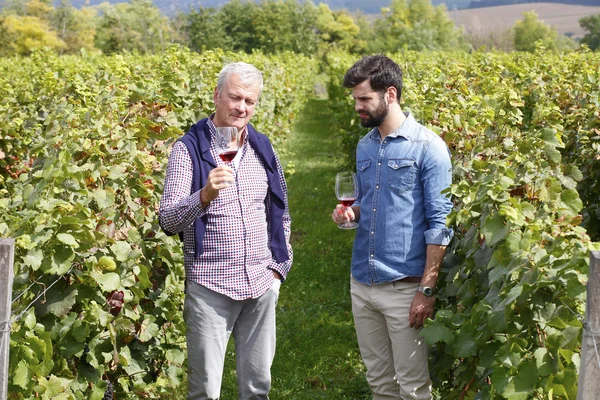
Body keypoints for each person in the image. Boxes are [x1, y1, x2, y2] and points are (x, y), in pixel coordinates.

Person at [159, 62, 293, 400]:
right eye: (235, 98)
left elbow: (280, 212)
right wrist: (204, 196)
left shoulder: (263, 148)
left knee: (257, 386)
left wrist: (279, 268)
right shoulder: (187, 150)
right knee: (205, 391)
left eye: (250, 101)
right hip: (211, 287)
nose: (241, 108)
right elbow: (168, 221)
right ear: (217, 95)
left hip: (261, 284)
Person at [331, 55, 453, 400]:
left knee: (413, 388)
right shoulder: (365, 145)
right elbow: (368, 200)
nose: (357, 106)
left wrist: (426, 291)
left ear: (391, 94)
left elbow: (440, 224)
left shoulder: (429, 148)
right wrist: (351, 213)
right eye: (355, 98)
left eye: (364, 98)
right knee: (380, 383)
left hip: (405, 288)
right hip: (363, 280)